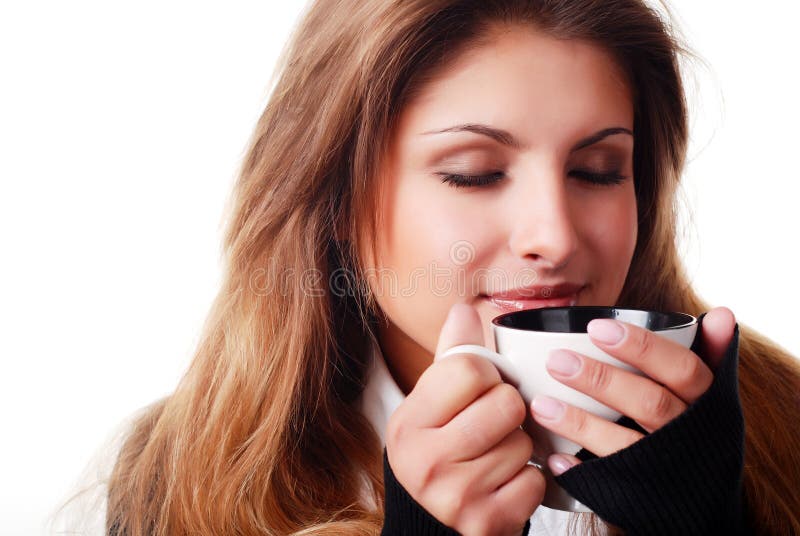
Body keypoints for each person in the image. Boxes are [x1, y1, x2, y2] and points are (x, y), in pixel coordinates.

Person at [104, 0, 800, 534]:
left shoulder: (785, 425)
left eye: (597, 170)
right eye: (473, 175)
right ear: (334, 202)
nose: (553, 237)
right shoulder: (176, 479)